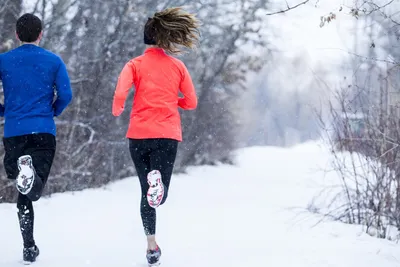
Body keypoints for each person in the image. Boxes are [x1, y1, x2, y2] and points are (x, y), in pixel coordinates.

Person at [112, 7, 199, 266]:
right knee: (158, 193)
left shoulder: (134, 64)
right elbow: (191, 102)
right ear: (165, 38)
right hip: (166, 134)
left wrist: (118, 109)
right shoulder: (177, 66)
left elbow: (120, 93)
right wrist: (175, 103)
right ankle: (157, 181)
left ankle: (152, 246)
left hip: (138, 134)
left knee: (146, 192)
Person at [0, 13, 73, 263]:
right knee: (32, 188)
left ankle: (29, 247)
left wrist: (4, 110)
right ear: (40, 34)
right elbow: (66, 93)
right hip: (42, 131)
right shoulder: (53, 61)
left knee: (22, 187)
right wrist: (53, 110)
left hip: (14, 131)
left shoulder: (4, 61)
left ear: (17, 35)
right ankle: (30, 178)